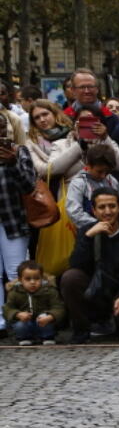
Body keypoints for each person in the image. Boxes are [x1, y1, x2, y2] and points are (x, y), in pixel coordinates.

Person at [60, 187, 119, 344]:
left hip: (118, 288)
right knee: (70, 278)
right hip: (95, 289)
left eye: (112, 206)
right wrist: (89, 236)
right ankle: (81, 330)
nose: (107, 211)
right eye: (102, 207)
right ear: (94, 211)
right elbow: (76, 264)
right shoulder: (86, 231)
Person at [0, 113, 36, 295]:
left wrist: (13, 164)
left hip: (13, 220)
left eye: (1, 127)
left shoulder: (20, 151)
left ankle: (22, 318)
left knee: (16, 272)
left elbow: (29, 187)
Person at [66, 144, 119, 232]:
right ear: (89, 165)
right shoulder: (78, 183)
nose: (103, 176)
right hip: (91, 231)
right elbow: (74, 212)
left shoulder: (111, 180)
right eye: (99, 171)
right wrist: (100, 225)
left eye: (107, 172)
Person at [4, 260, 65, 345]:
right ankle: (24, 337)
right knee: (20, 325)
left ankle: (47, 336)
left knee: (46, 319)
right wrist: (18, 314)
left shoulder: (49, 290)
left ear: (42, 278)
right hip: (25, 323)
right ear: (20, 280)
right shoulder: (15, 292)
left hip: (43, 322)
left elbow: (59, 307)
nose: (32, 282)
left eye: (37, 278)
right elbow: (7, 309)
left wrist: (50, 316)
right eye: (28, 279)